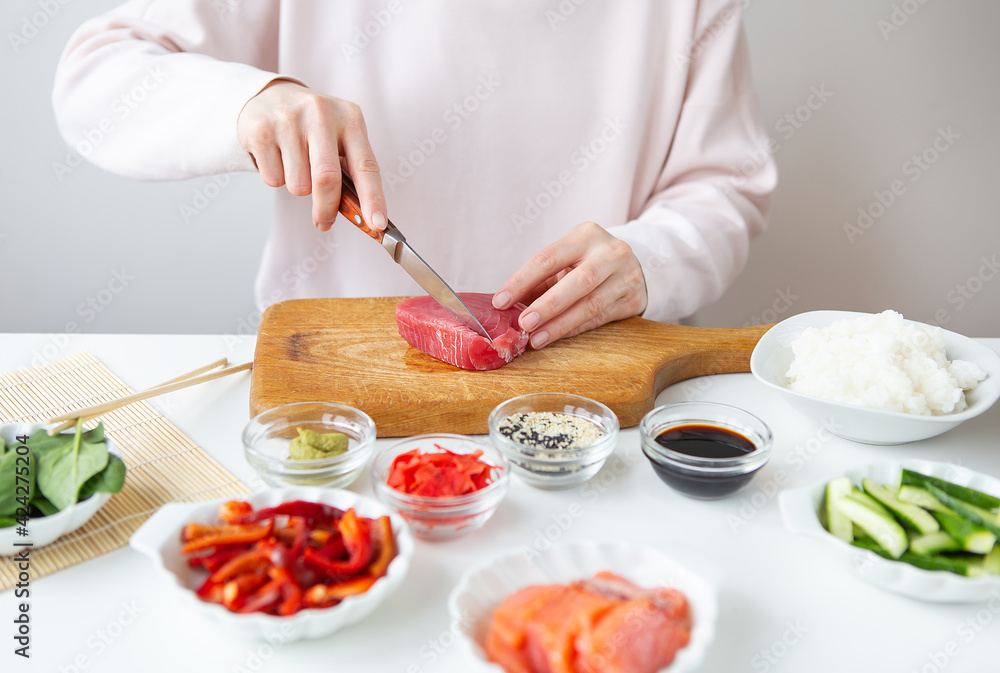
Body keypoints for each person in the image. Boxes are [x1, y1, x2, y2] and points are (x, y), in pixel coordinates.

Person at [52, 0, 776, 349]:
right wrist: (250, 102)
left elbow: (726, 185)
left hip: (602, 391)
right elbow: (97, 77)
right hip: (337, 383)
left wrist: (652, 258)